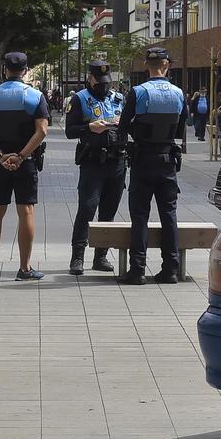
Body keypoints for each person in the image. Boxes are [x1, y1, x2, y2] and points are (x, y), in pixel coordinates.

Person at [0, 51, 50, 281]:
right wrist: (22, 155)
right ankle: (25, 269)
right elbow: (42, 131)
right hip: (25, 164)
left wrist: (0, 156)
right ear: (25, 71)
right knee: (26, 211)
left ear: (4, 70)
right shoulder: (35, 96)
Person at [117, 47, 189, 285]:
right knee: (169, 214)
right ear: (167, 65)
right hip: (168, 161)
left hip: (142, 160)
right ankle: (170, 268)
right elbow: (180, 129)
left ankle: (137, 270)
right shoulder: (178, 93)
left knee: (140, 216)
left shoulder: (139, 92)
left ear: (146, 65)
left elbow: (123, 126)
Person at [65, 60, 127, 276]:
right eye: (99, 81)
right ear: (89, 78)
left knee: (109, 212)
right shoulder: (79, 99)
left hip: (117, 161)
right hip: (92, 162)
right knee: (87, 209)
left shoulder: (119, 98)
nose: (103, 86)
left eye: (106, 82)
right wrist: (89, 128)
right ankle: (77, 257)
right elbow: (70, 131)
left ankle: (101, 256)